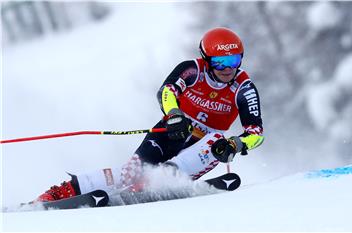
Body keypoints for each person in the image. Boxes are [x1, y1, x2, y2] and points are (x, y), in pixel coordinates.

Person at [35, 27, 264, 202]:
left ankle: (159, 181)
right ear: (207, 60)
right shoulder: (192, 70)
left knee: (218, 143)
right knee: (130, 173)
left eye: (233, 61)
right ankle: (62, 192)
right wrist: (174, 114)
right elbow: (167, 91)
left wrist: (236, 145)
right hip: (173, 130)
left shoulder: (243, 88)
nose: (227, 68)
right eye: (220, 61)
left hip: (205, 143)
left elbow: (256, 134)